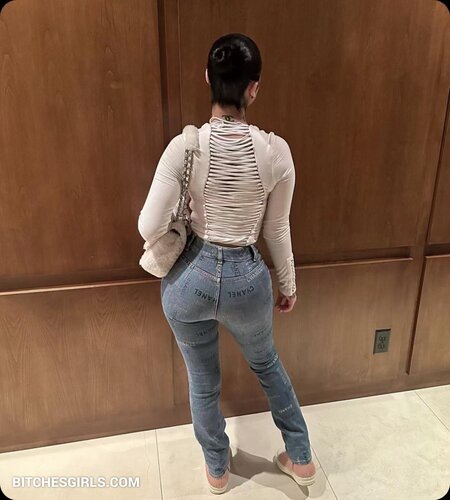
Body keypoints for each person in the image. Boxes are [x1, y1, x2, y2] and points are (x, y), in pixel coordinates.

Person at [137, 32, 316, 494]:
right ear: (254, 88)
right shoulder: (277, 152)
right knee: (267, 364)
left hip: (189, 279)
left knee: (203, 380)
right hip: (247, 281)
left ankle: (217, 470)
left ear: (207, 79)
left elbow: (147, 224)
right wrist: (288, 285)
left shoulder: (185, 146)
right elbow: (277, 230)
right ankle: (300, 458)